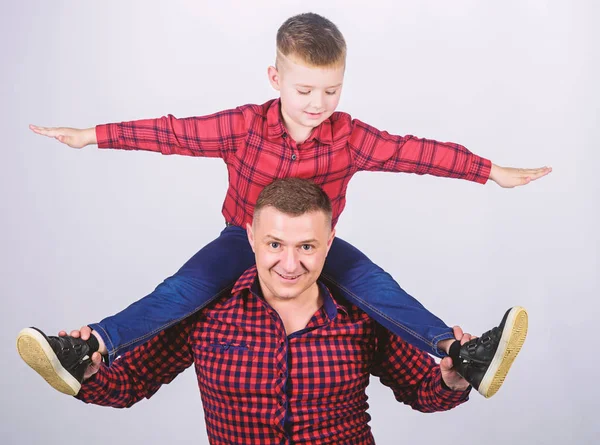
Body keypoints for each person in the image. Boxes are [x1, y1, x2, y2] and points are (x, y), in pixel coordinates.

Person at [21, 13, 544, 399]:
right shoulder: (243, 127)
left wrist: (490, 171)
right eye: (305, 90)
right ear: (276, 80)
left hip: (317, 247)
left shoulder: (351, 138)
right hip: (241, 240)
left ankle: (461, 352)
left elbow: (415, 153)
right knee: (179, 291)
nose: (318, 104)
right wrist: (91, 135)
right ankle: (89, 347)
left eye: (331, 91)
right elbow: (171, 133)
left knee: (379, 287)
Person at [20, 178, 480, 444]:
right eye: (275, 244)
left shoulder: (360, 316)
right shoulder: (206, 313)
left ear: (329, 245)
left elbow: (422, 391)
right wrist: (87, 373)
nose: (290, 263)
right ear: (251, 238)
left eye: (306, 247)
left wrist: (451, 380)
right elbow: (130, 383)